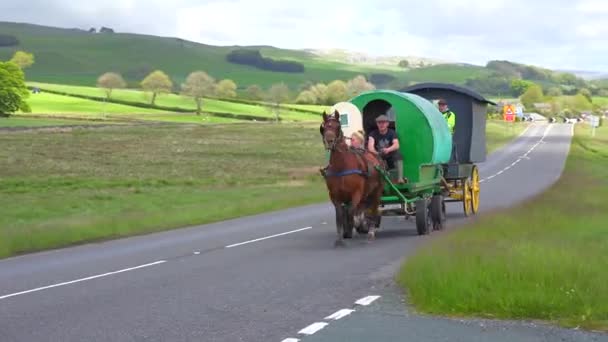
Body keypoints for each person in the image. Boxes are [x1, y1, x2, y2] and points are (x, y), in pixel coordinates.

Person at [367, 114, 405, 183]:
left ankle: (400, 178)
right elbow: (370, 148)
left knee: (398, 155)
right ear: (377, 124)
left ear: (387, 123)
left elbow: (396, 145)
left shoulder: (392, 133)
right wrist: (377, 153)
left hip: (390, 154)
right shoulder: (372, 134)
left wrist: (388, 150)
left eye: (383, 122)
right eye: (379, 123)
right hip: (378, 155)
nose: (381, 124)